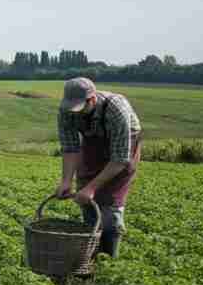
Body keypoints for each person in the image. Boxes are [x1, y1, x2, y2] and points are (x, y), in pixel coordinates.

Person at [54, 77, 142, 257]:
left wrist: (92, 188)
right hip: (92, 143)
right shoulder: (66, 111)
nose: (75, 113)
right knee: (85, 197)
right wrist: (66, 181)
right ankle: (90, 253)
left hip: (123, 146)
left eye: (79, 108)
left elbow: (120, 159)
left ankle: (109, 258)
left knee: (110, 204)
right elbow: (70, 147)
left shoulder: (116, 109)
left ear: (92, 100)